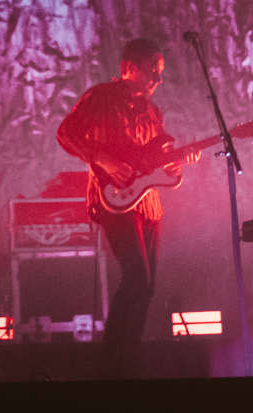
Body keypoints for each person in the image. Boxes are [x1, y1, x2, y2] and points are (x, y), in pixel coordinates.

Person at [57, 38, 197, 371]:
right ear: (127, 67)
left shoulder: (153, 110)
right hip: (113, 199)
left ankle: (126, 365)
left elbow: (160, 158)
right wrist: (102, 159)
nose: (157, 80)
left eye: (160, 73)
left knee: (146, 287)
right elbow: (66, 133)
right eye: (152, 71)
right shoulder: (100, 96)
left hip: (149, 204)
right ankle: (112, 364)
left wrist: (175, 164)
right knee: (136, 277)